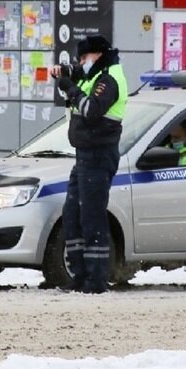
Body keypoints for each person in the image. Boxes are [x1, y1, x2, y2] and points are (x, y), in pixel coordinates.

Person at [50, 34, 128, 294]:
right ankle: (80, 274)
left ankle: (96, 279)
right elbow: (79, 95)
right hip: (84, 154)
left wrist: (70, 87)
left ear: (98, 55)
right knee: (73, 213)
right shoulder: (95, 74)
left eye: (84, 58)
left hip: (99, 154)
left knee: (92, 216)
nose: (81, 63)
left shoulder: (110, 78)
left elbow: (91, 110)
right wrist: (68, 79)